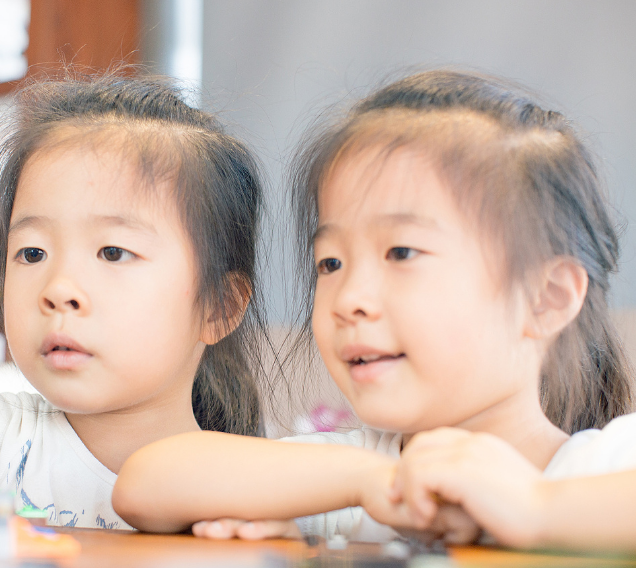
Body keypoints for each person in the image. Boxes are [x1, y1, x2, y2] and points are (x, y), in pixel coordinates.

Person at [112, 70, 636, 550]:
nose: (349, 299)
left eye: (401, 253)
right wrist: (372, 482)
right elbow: (147, 482)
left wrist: (537, 509)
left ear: (547, 298)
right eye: (330, 262)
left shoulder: (604, 466)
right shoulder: (360, 475)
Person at [0, 72, 271, 530]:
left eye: (113, 252)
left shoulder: (281, 490)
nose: (58, 288)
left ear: (219, 307)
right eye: (32, 253)